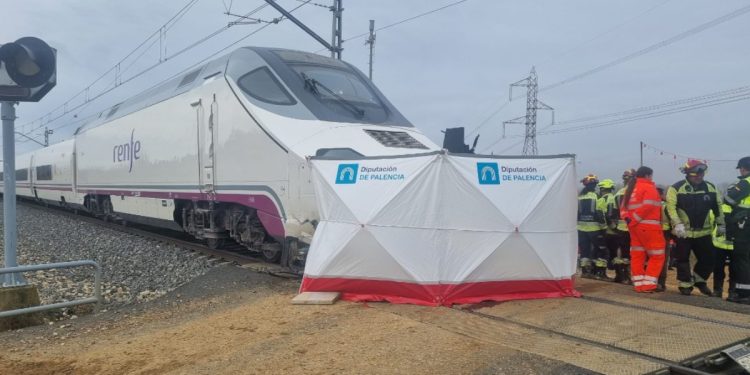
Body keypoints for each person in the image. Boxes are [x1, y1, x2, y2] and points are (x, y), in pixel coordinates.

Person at [666, 159, 724, 296]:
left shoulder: (710, 187)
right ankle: (685, 285)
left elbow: (718, 207)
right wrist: (677, 223)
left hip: (704, 232)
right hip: (683, 232)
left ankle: (699, 280)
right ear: (687, 174)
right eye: (695, 175)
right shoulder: (676, 188)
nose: (699, 177)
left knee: (709, 258)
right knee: (683, 259)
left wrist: (721, 224)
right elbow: (670, 207)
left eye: (701, 175)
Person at [620, 166, 665, 293]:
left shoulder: (630, 189)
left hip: (634, 228)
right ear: (647, 175)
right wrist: (635, 219)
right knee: (657, 255)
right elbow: (648, 206)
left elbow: (623, 209)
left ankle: (639, 284)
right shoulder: (649, 187)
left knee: (637, 255)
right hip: (649, 227)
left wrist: (630, 221)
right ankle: (649, 285)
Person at [724, 156, 750, 304]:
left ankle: (744, 293)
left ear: (744, 168)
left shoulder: (745, 183)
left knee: (741, 259)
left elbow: (729, 198)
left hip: (744, 225)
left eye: (741, 168)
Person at [608, 169, 635, 284]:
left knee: (620, 253)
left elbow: (613, 213)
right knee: (628, 254)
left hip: (620, 228)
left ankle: (619, 276)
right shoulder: (635, 192)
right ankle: (626, 277)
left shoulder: (618, 193)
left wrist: (614, 226)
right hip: (633, 228)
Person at [578, 174, 607, 279]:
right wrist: (604, 228)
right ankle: (600, 273)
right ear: (594, 185)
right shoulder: (597, 196)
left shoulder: (579, 197)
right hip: (595, 230)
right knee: (601, 250)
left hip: (581, 229)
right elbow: (600, 214)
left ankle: (585, 272)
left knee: (584, 251)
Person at [711, 203, 734, 298]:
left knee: (735, 270)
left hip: (735, 246)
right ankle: (717, 290)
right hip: (719, 245)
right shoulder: (719, 207)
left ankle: (732, 292)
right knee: (718, 268)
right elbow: (711, 222)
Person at [598, 179, 618, 276]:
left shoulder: (604, 199)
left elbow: (606, 215)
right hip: (612, 232)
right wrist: (614, 227)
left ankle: (601, 273)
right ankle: (619, 274)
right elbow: (610, 215)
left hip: (605, 231)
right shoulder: (611, 198)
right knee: (613, 253)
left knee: (604, 252)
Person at [656, 185, 672, 291]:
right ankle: (661, 283)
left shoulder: (649, 204)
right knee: (663, 259)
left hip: (650, 234)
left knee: (650, 258)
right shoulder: (666, 206)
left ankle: (650, 281)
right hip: (665, 234)